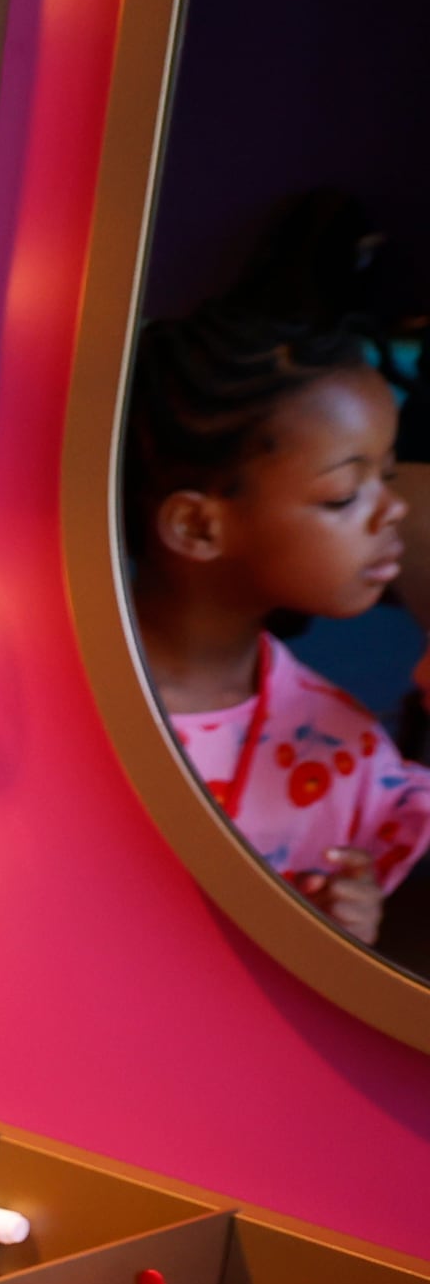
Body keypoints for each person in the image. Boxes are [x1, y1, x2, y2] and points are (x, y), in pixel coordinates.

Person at [125, 304, 430, 947]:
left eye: (390, 475)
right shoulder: (33, 705)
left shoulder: (348, 755)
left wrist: (341, 941)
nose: (394, 508)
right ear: (199, 527)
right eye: (345, 496)